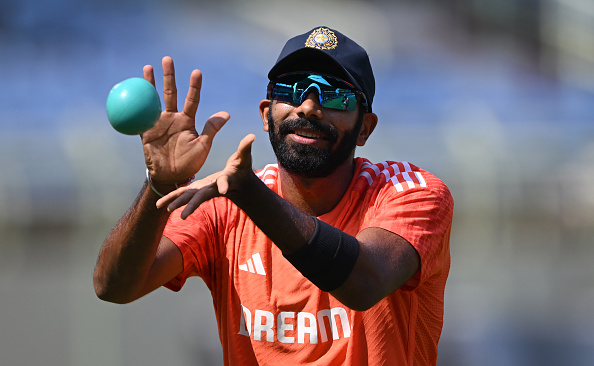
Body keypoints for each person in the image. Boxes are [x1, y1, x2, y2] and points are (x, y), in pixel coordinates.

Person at [93, 26, 454, 366]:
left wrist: (252, 196)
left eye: (335, 96)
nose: (309, 107)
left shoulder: (410, 193)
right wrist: (159, 184)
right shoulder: (225, 207)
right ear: (267, 114)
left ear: (365, 129)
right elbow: (114, 286)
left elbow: (364, 283)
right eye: (291, 89)